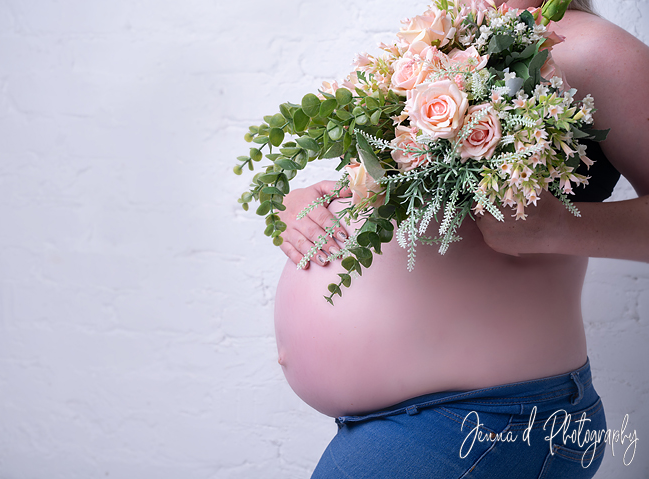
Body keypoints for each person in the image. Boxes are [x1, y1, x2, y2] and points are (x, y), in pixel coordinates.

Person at [272, 0, 649, 477]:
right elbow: (416, 197)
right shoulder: (439, 41)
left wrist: (560, 226)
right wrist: (314, 202)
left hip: (486, 420)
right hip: (435, 424)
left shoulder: (596, 49)